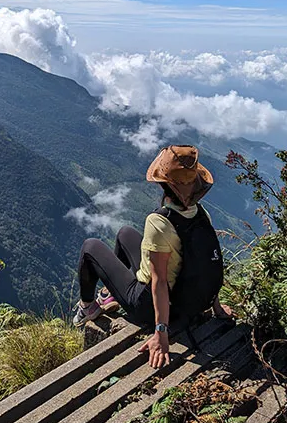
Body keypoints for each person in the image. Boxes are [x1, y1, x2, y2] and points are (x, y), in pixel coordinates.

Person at [73, 145, 233, 369]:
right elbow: (206, 261)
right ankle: (109, 295)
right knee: (125, 232)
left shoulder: (159, 222)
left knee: (90, 246)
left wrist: (161, 333)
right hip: (188, 301)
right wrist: (215, 307)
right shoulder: (200, 214)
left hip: (149, 305)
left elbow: (158, 282)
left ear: (164, 183)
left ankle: (88, 307)